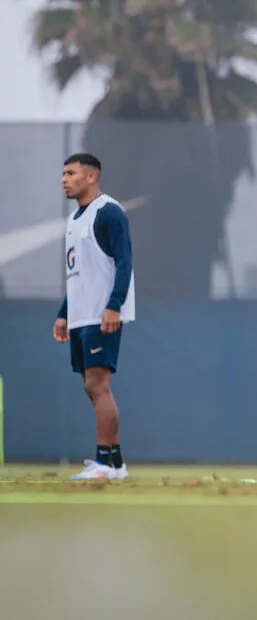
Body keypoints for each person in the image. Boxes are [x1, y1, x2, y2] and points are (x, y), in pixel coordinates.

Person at [53, 153, 135, 480]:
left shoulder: (109, 212)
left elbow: (124, 262)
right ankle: (114, 463)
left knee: (98, 384)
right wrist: (63, 314)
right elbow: (79, 273)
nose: (64, 179)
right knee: (91, 386)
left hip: (102, 314)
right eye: (63, 173)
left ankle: (104, 462)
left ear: (91, 176)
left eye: (70, 173)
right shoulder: (75, 220)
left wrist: (114, 306)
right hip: (80, 315)